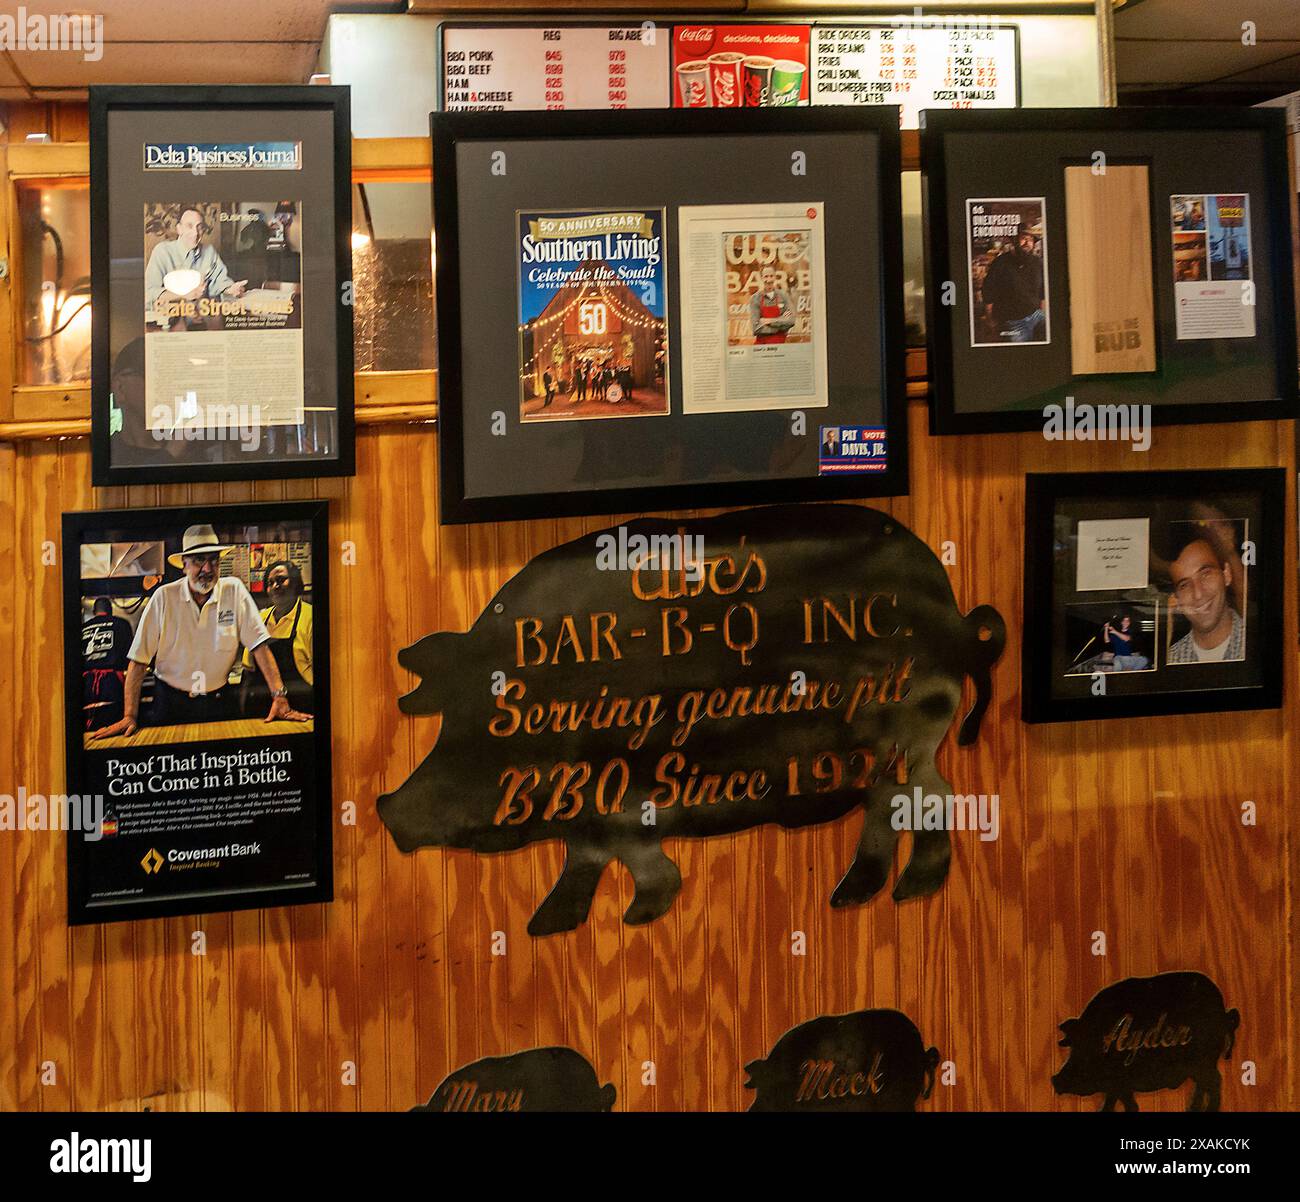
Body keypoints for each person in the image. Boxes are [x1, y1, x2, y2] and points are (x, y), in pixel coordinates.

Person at [90, 523, 309, 737]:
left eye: (214, 561)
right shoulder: (164, 597)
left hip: (219, 702)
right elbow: (139, 661)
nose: (207, 569)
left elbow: (260, 647)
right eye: (199, 561)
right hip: (169, 704)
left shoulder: (234, 591)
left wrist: (279, 698)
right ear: (184, 565)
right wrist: (130, 715)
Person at [144, 205, 247, 320]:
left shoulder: (209, 251)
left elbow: (220, 281)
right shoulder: (162, 251)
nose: (195, 233)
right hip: (170, 320)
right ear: (179, 229)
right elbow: (149, 293)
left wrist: (231, 288)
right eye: (189, 226)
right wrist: (184, 295)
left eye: (199, 227)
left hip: (201, 318)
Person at [241, 560, 313, 716]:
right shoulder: (259, 619)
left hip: (300, 707)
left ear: (295, 583)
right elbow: (249, 667)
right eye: (270, 582)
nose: (275, 586)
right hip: (260, 709)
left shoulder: (311, 618)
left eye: (281, 580)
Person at [1167, 533, 1245, 664]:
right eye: (1184, 585)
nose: (1198, 594)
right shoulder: (1173, 659)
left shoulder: (1257, 645)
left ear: (1226, 574)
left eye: (1205, 574)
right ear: (1176, 599)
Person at [980, 230, 1045, 343]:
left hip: (1037, 316)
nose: (1027, 243)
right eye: (1024, 238)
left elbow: (1043, 292)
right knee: (1018, 357)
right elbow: (988, 292)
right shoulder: (1000, 262)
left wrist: (1043, 313)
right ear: (1014, 240)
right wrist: (990, 320)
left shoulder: (1038, 262)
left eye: (1031, 240)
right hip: (1013, 323)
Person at [81, 597, 134, 729]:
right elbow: (131, 654)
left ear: (94, 612)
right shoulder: (121, 624)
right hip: (113, 682)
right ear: (110, 611)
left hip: (85, 683)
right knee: (113, 723)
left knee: (89, 726)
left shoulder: (82, 628)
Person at [749, 264, 795, 344]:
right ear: (761, 278)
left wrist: (770, 321)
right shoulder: (755, 298)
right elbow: (756, 328)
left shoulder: (783, 296)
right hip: (762, 347)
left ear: (775, 277)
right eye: (766, 276)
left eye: (771, 276)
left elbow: (791, 321)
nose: (769, 280)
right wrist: (782, 324)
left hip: (781, 346)